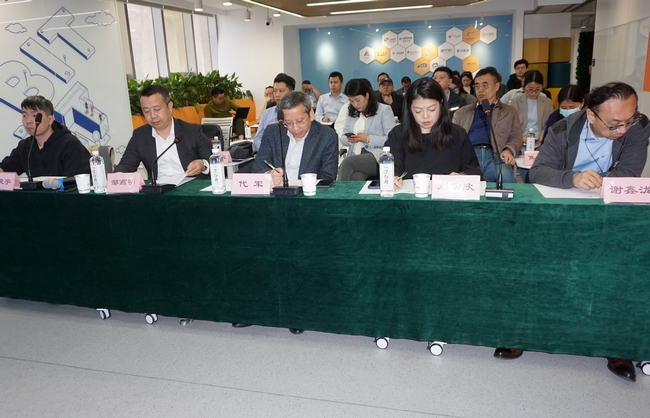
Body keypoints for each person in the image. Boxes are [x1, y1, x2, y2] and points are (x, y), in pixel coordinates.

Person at [529, 82, 650, 383]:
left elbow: (629, 173)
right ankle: (527, 334)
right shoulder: (562, 129)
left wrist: (599, 182)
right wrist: (572, 178)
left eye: (629, 120)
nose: (623, 129)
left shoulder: (638, 126)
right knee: (546, 273)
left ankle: (615, 345)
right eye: (614, 124)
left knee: (613, 277)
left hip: (611, 211)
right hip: (565, 210)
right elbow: (538, 171)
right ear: (591, 115)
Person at [385, 77, 481, 186]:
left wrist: (462, 177)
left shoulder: (457, 133)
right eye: (418, 111)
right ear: (409, 109)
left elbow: (474, 172)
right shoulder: (398, 134)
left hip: (446, 194)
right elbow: (389, 169)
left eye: (431, 109)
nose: (425, 116)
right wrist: (392, 178)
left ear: (441, 103)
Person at [115, 85, 212, 180]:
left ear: (169, 106)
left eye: (157, 109)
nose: (153, 116)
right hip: (157, 188)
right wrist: (117, 176)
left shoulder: (192, 131)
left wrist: (202, 164)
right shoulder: (140, 135)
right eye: (147, 111)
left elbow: (212, 159)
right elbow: (126, 165)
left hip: (190, 187)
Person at [452, 67, 522, 183]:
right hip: (469, 157)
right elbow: (452, 138)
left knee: (506, 178)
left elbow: (516, 136)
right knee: (460, 183)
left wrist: (508, 150)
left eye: (485, 85)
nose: (480, 90)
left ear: (497, 86)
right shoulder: (461, 113)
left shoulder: (509, 112)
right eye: (477, 86)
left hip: (496, 156)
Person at [251, 91, 338, 185]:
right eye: (288, 123)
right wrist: (269, 175)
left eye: (300, 121)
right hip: (277, 190)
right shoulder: (272, 132)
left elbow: (328, 177)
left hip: (309, 191)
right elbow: (258, 167)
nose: (295, 128)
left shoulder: (327, 136)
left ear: (311, 115)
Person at [0, 95, 91, 177]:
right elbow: (6, 167)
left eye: (35, 115)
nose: (28, 121)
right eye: (24, 115)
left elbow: (80, 179)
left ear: (50, 119)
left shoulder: (70, 144)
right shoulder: (25, 146)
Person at [337, 78, 396, 180]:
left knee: (347, 163)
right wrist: (349, 139)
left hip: (377, 155)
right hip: (356, 155)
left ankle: (337, 191)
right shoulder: (352, 113)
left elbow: (392, 139)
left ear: (367, 95)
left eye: (358, 100)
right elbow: (342, 137)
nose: (355, 104)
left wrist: (368, 139)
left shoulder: (384, 110)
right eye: (351, 101)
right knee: (356, 177)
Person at [509, 70, 555, 147]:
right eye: (530, 89)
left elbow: (549, 123)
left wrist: (542, 135)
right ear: (524, 87)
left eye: (537, 89)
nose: (534, 92)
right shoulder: (515, 102)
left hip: (541, 141)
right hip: (520, 141)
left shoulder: (547, 102)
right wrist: (521, 136)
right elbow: (511, 123)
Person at [254, 73, 295, 151]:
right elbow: (257, 139)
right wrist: (267, 152)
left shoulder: (298, 113)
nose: (277, 94)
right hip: (268, 154)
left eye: (281, 91)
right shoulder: (267, 113)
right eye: (275, 91)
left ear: (291, 93)